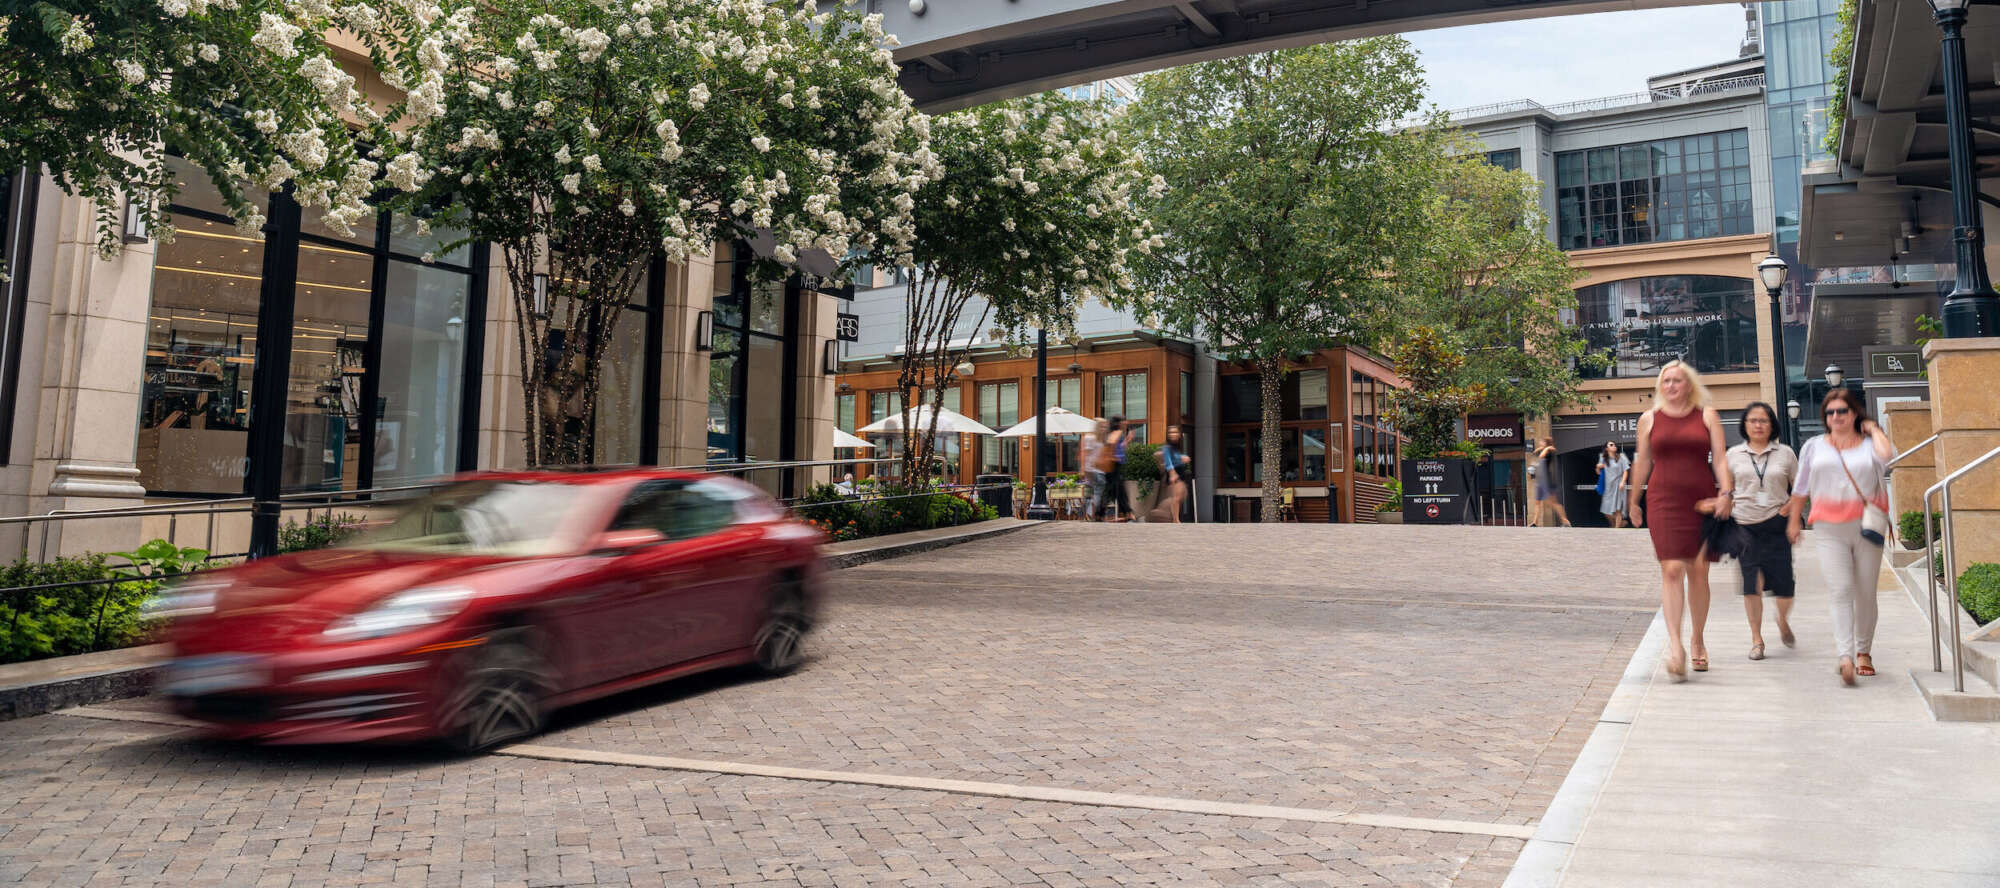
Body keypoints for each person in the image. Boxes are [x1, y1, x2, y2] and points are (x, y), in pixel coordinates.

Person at [1628, 360, 1733, 681]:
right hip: (1663, 499)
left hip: (1700, 498)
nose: (1672, 385)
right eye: (1666, 380)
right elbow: (1643, 461)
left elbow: (1721, 459)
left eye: (1678, 380)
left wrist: (1726, 492)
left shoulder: (1707, 415)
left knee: (1698, 571)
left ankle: (1697, 639)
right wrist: (1633, 500)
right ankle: (1676, 647)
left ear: (1689, 385)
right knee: (1671, 568)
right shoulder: (1648, 420)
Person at [1787, 388, 1894, 686]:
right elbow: (1801, 487)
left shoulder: (1870, 445)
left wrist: (1872, 427)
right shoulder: (1814, 446)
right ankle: (1845, 655)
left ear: (1854, 413)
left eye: (1842, 411)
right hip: (1828, 529)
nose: (1836, 417)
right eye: (1830, 412)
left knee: (1865, 593)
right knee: (1840, 590)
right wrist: (1794, 520)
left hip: (1867, 525)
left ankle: (1864, 652)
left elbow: (1888, 458)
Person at [1727, 402, 1799, 661]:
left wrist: (1791, 509)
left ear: (1772, 425)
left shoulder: (1785, 453)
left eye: (1764, 420)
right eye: (1753, 420)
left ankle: (1781, 619)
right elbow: (1725, 489)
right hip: (1744, 525)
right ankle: (1757, 640)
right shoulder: (1734, 454)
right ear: (1745, 425)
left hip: (1776, 522)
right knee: (1751, 584)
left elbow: (1801, 487)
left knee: (1784, 586)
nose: (1758, 425)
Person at [1097, 416, 1134, 522]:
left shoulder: (1117, 433)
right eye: (1124, 421)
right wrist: (1113, 455)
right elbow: (1112, 443)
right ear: (1119, 423)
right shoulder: (1117, 432)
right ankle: (1128, 513)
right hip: (1114, 465)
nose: (1126, 423)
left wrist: (1128, 440)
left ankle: (1100, 513)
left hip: (1115, 465)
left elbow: (1120, 446)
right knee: (1118, 490)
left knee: (1113, 491)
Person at [1157, 425, 1194, 523]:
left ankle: (1174, 518)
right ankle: (1176, 519)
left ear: (1179, 435)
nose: (1173, 434)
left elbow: (1176, 458)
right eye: (1171, 432)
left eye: (1175, 432)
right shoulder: (1167, 447)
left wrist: (1183, 457)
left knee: (1181, 495)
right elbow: (1168, 462)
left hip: (1180, 472)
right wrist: (1172, 473)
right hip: (1175, 472)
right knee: (1177, 497)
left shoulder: (1176, 448)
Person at [1533, 438, 1572, 527]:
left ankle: (1565, 521)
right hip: (1540, 481)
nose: (1540, 443)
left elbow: (1541, 457)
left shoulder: (1549, 452)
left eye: (1542, 442)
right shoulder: (1543, 450)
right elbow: (1535, 453)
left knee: (1553, 503)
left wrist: (1546, 448)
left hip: (1547, 481)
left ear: (1546, 443)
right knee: (1537, 502)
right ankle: (1535, 522)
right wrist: (1541, 448)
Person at [1597, 441, 1631, 528]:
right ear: (1606, 448)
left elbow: (1626, 471)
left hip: (1619, 486)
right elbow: (1598, 473)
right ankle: (1620, 524)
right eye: (1611, 445)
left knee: (1618, 509)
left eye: (1614, 444)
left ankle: (1617, 529)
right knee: (1605, 510)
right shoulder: (1603, 458)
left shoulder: (1621, 457)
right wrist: (1598, 467)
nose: (1614, 446)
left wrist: (1623, 482)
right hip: (1608, 487)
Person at [1081, 420, 1107, 522]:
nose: (1104, 429)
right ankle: (1089, 513)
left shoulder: (1101, 440)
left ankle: (1088, 512)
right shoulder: (1090, 438)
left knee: (1095, 492)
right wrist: (1084, 469)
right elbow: (1085, 454)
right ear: (1097, 427)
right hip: (1093, 470)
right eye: (1102, 427)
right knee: (1097, 492)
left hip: (1100, 470)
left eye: (1105, 427)